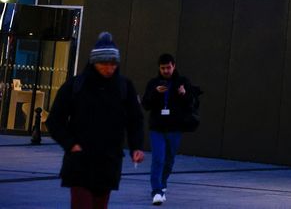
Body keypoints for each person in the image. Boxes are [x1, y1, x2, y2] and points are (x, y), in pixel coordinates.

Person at [46, 32, 145, 209]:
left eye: (113, 64)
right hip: (80, 161)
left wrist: (136, 147)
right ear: (94, 62)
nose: (109, 68)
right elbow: (54, 120)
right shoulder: (76, 85)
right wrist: (70, 144)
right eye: (104, 64)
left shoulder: (124, 86)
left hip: (108, 162)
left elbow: (135, 119)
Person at [141, 53, 194, 205]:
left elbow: (191, 103)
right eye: (163, 68)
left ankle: (162, 184)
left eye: (168, 67)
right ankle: (156, 191)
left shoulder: (182, 82)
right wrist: (155, 93)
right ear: (159, 68)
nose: (166, 71)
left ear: (174, 66)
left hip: (175, 128)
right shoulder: (153, 83)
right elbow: (145, 104)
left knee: (169, 160)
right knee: (158, 158)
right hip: (157, 128)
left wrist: (184, 94)